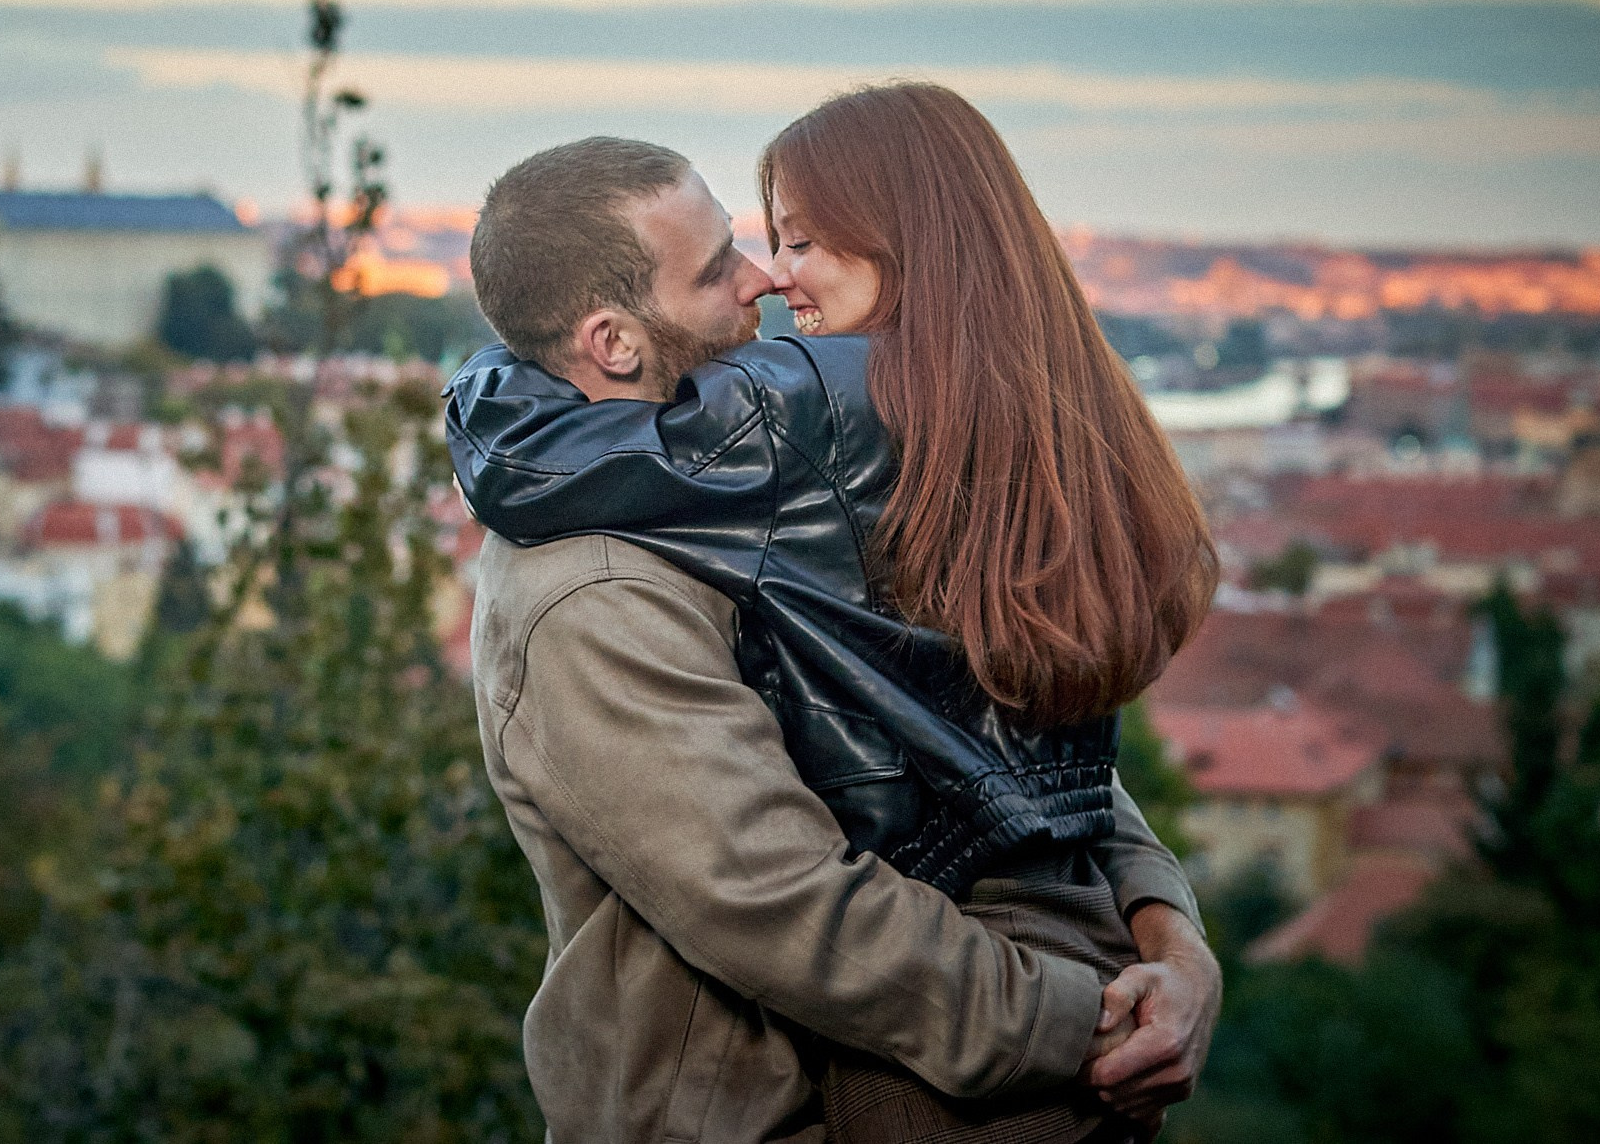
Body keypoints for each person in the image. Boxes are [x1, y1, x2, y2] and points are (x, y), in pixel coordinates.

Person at [447, 109, 1219, 1142]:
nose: (762, 280)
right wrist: (1084, 1020)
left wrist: (1169, 944)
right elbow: (779, 901)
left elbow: (1006, 741)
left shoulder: (784, 493)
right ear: (614, 341)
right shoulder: (591, 592)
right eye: (720, 266)